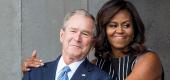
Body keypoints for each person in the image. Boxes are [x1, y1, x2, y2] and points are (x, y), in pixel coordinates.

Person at [22, 0, 164, 80]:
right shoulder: (97, 64)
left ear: (135, 28)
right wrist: (32, 73)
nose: (119, 30)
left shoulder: (148, 59)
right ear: (103, 30)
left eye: (126, 25)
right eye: (112, 25)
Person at [22, 9, 112, 80]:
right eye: (73, 31)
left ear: (92, 43)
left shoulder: (101, 78)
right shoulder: (34, 74)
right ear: (62, 35)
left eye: (85, 34)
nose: (77, 38)